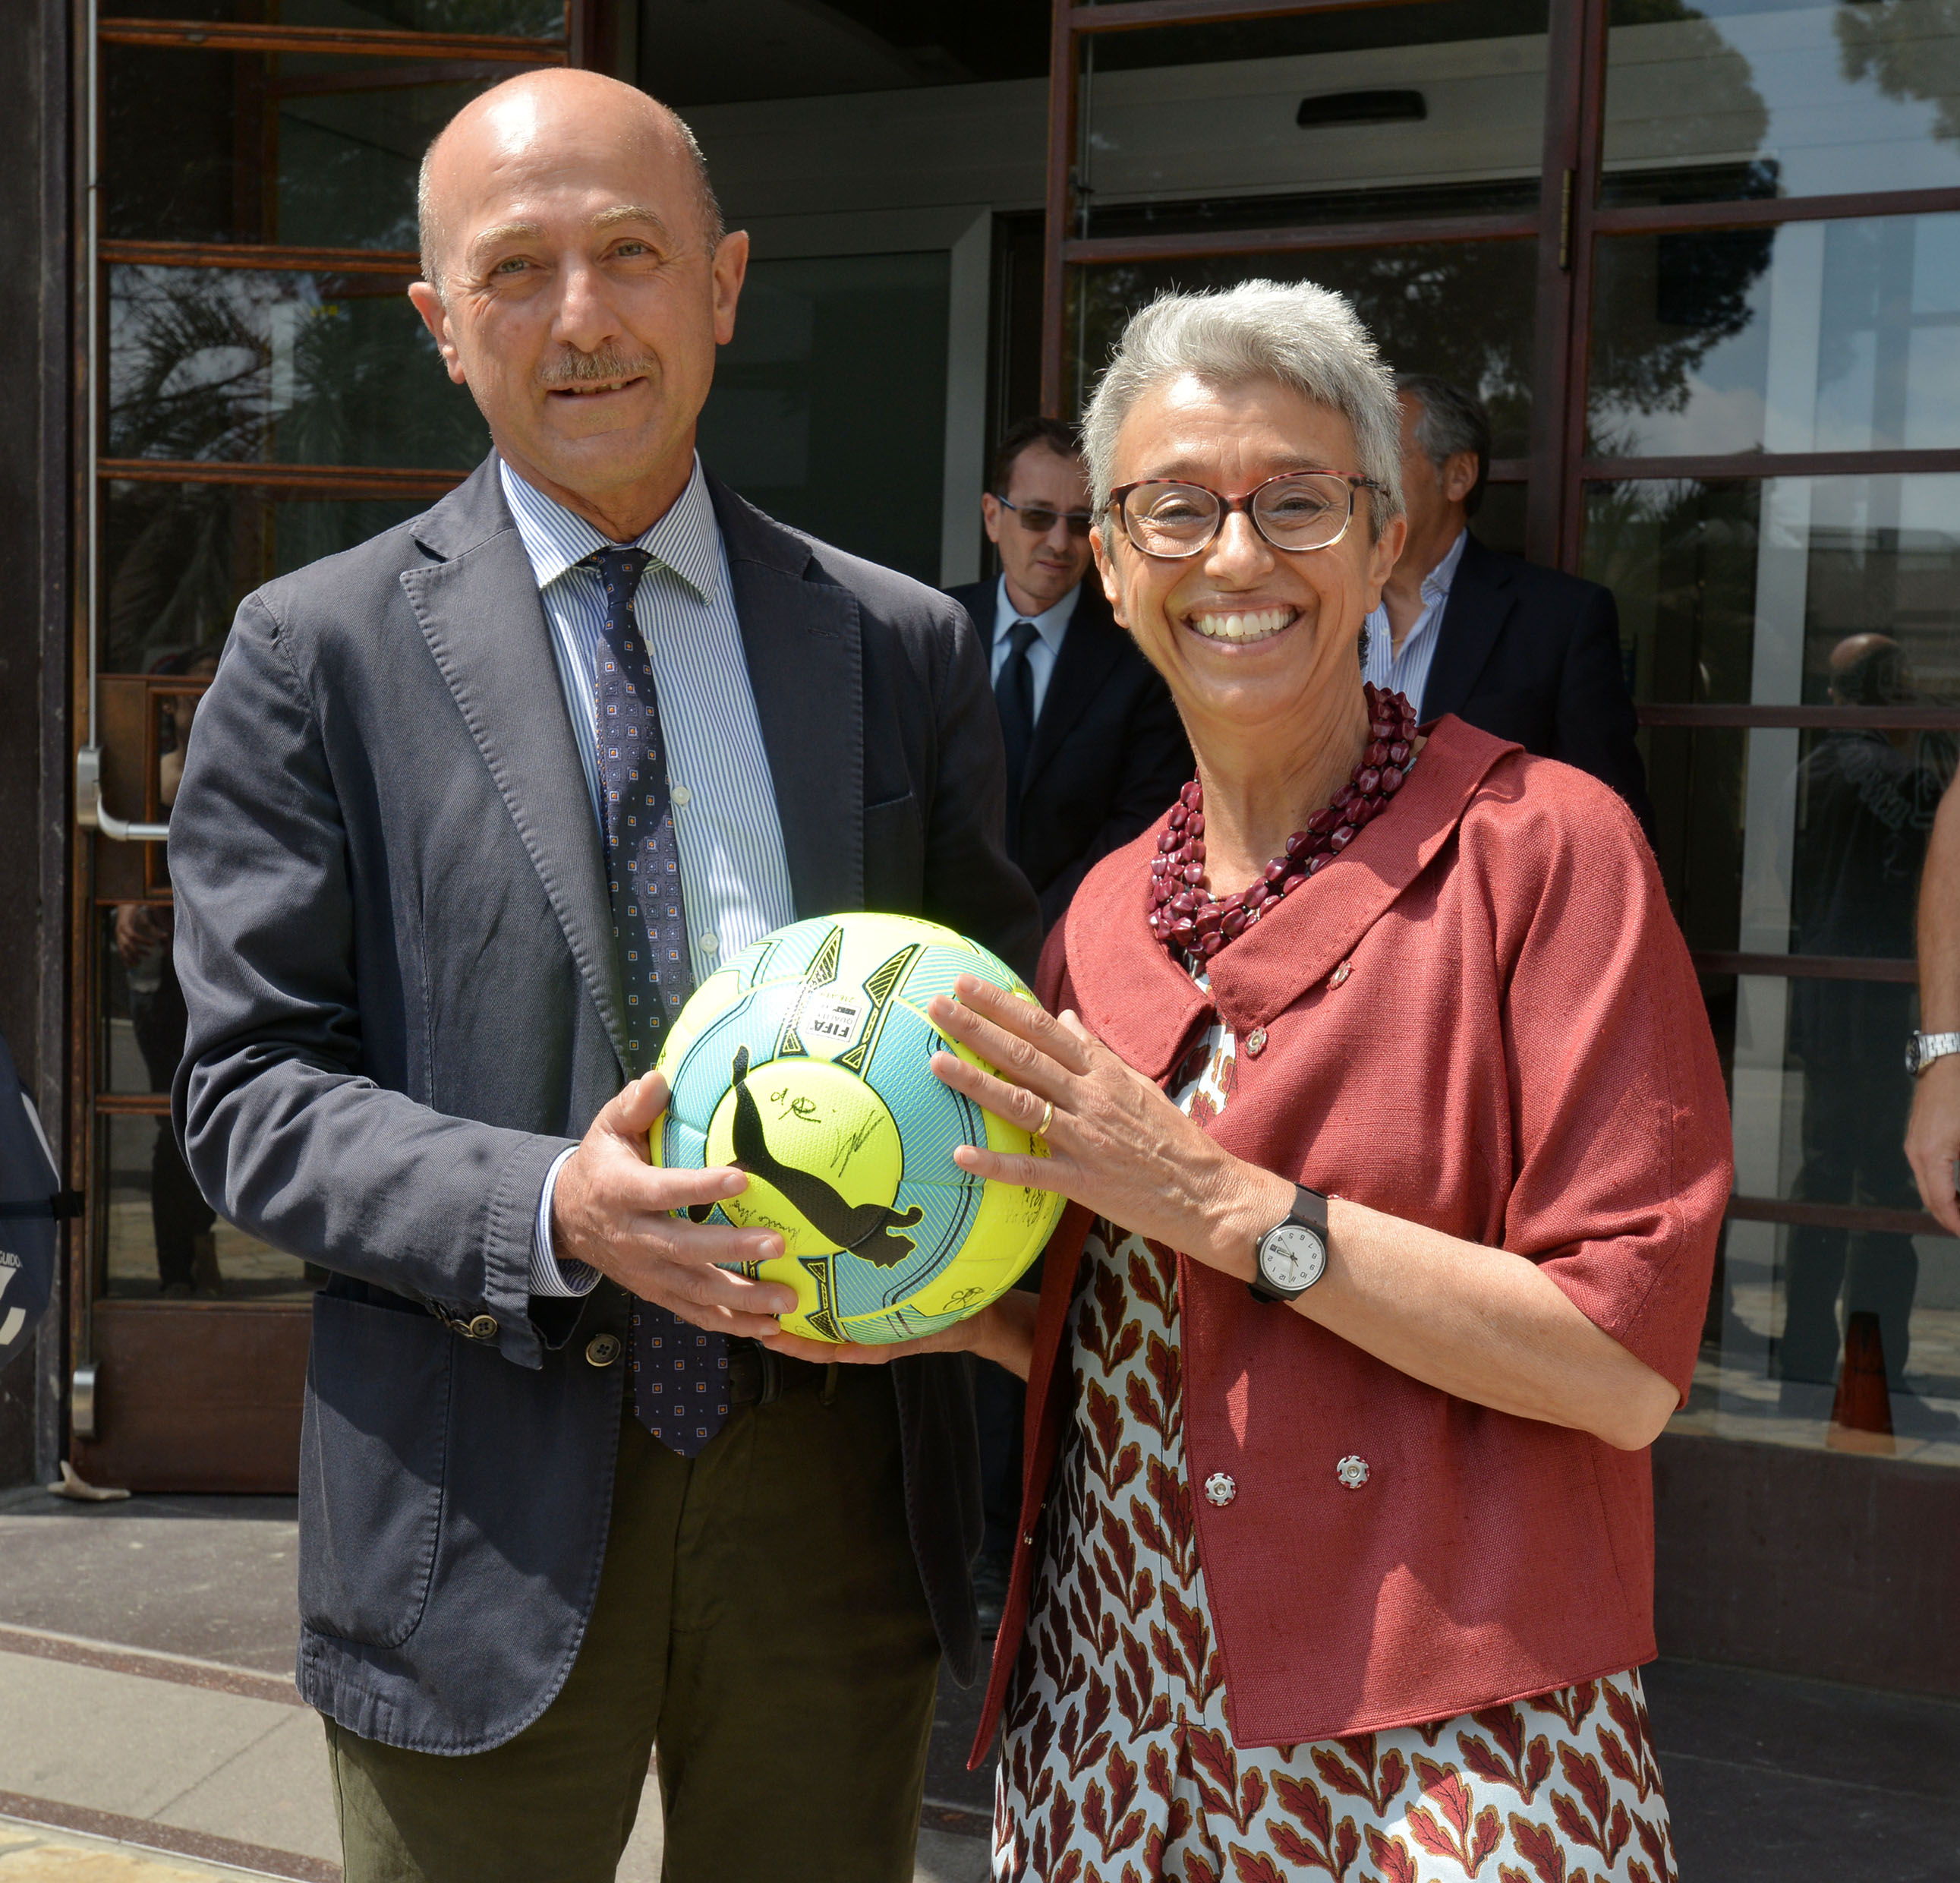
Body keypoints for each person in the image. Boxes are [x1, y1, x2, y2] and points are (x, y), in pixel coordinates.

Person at [167, 68, 1039, 1883]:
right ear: (436, 324)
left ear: (721, 286)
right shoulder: (310, 652)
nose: (580, 320)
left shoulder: (900, 644)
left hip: (830, 1490)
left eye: (629, 255)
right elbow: (248, 1098)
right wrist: (552, 1200)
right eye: (516, 269)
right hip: (473, 1493)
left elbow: (999, 1024)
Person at [768, 280, 1730, 1879]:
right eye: (1173, 513)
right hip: (1110, 1720)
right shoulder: (1095, 915)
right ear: (1117, 571)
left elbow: (1619, 1366)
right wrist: (856, 1280)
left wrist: (1227, 1204)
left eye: (1295, 501)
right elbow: (1091, 1334)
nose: (1236, 557)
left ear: (1382, 543)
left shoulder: (1544, 854)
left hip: (1445, 1731)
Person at [1369, 373, 1655, 836]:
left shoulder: (1559, 620)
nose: (1364, 481)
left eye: (1383, 458)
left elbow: (1610, 826)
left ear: (1459, 474)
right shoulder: (1313, 605)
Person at [947, 417, 1190, 930]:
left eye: (1079, 522)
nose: (1059, 542)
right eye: (1037, 517)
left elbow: (1141, 823)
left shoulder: (1141, 654)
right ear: (993, 517)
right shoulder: (934, 631)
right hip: (938, 939)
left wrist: (1037, 929)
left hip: (1075, 936)